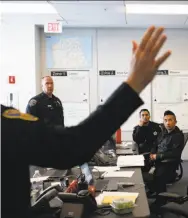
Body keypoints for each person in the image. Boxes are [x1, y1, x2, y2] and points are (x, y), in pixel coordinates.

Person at [1, 25, 171, 218]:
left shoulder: (54, 102)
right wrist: (132, 87)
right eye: (46, 83)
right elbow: (72, 146)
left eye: (51, 82)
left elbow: (64, 136)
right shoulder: (10, 120)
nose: (50, 85)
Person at [145, 110, 184, 195]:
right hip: (157, 160)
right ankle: (153, 189)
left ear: (175, 122)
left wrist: (157, 156)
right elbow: (155, 145)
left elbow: (174, 153)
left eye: (170, 120)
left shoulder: (178, 136)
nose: (168, 123)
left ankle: (161, 198)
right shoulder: (163, 132)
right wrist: (152, 153)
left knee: (157, 176)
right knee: (141, 169)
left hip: (167, 163)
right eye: (165, 120)